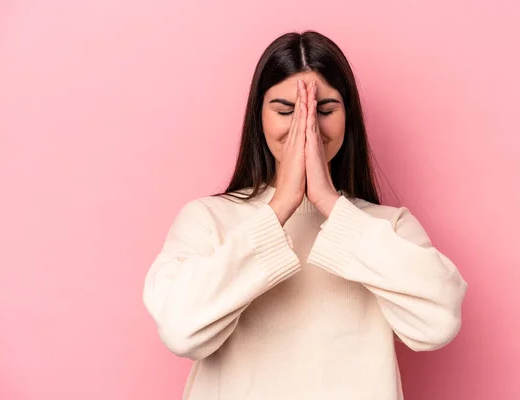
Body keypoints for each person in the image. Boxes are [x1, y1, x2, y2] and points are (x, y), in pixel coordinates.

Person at [142, 30, 468, 400]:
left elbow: (439, 323)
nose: (307, 126)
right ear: (258, 117)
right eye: (285, 111)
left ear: (349, 117)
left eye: (325, 111)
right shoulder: (207, 219)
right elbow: (181, 331)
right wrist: (280, 205)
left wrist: (329, 202)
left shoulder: (387, 226)